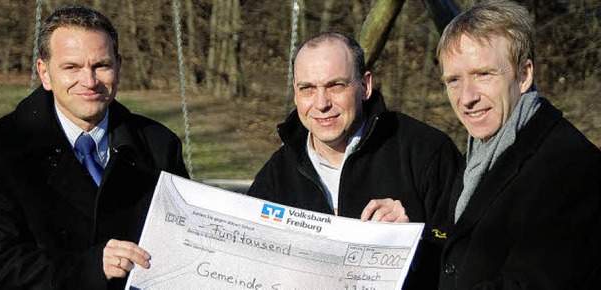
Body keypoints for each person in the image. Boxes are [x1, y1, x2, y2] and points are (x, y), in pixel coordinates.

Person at [0, 5, 189, 290]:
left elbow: (184, 246)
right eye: (72, 67)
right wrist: (90, 268)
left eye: (101, 65)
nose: (90, 81)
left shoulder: (158, 145)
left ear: (119, 65)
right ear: (44, 73)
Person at [247, 32, 461, 289]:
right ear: (295, 92)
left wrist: (412, 241)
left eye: (335, 86)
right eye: (307, 88)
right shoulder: (275, 177)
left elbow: (469, 259)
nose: (321, 103)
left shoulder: (426, 152)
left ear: (365, 86)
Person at [436, 0, 601, 288]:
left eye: (483, 74)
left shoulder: (571, 166)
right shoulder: (481, 151)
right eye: (453, 80)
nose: (466, 97)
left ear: (524, 75)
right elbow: (459, 253)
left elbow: (533, 283)